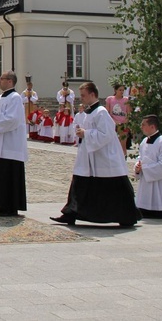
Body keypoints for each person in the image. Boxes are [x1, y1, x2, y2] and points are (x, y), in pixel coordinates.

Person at [50, 82, 141, 227]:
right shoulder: (88, 113)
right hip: (88, 156)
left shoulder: (101, 112)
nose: (82, 98)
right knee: (79, 182)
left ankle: (126, 216)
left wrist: (86, 133)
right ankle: (70, 213)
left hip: (104, 157)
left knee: (114, 187)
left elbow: (106, 134)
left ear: (93, 94)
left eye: (84, 95)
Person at [0, 70, 28, 216]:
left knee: (10, 175)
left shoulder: (15, 98)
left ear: (10, 81)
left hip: (11, 144)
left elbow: (12, 120)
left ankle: (11, 206)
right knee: (1, 174)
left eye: (2, 79)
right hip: (0, 145)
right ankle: (2, 203)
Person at [105, 83, 130, 157]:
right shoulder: (110, 99)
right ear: (115, 90)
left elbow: (128, 112)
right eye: (120, 90)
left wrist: (126, 121)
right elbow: (107, 112)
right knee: (112, 142)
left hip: (123, 124)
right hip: (113, 123)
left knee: (123, 143)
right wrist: (114, 121)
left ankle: (124, 157)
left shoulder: (126, 99)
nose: (121, 92)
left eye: (123, 90)